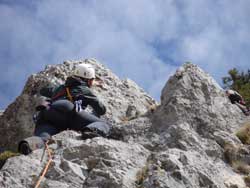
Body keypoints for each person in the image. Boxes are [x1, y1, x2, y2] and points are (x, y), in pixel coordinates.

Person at [18, 63, 111, 155]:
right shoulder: (85, 90)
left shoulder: (60, 88)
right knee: (103, 124)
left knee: (43, 137)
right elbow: (101, 110)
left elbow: (44, 90)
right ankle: (90, 130)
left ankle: (28, 144)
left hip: (46, 112)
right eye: (91, 80)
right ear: (88, 79)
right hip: (67, 109)